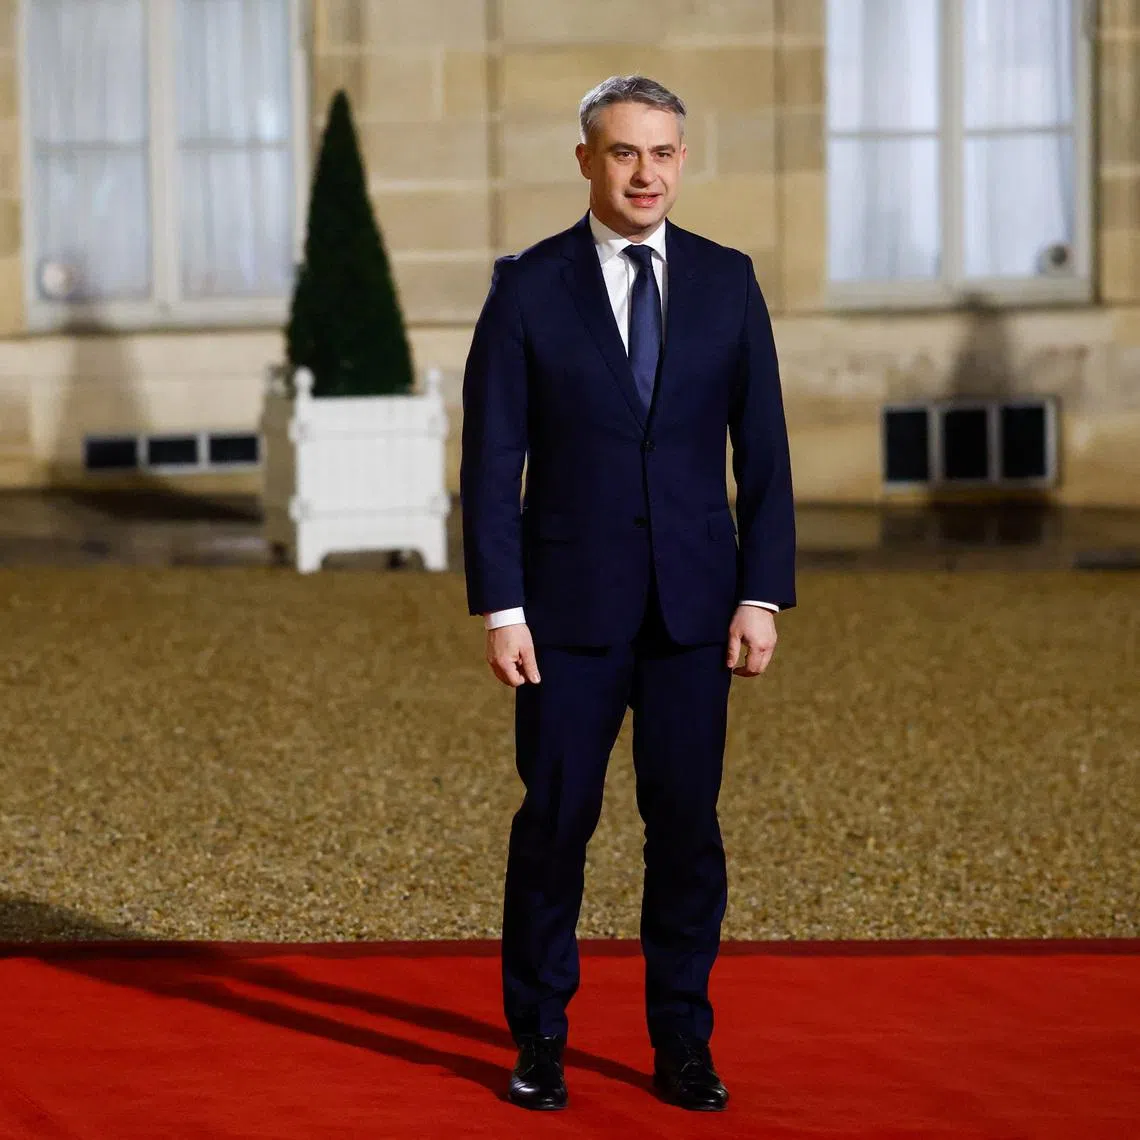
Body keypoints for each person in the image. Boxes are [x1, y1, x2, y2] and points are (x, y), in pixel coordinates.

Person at [460, 74, 796, 1112]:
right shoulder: (527, 288)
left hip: (697, 612)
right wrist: (502, 607)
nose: (645, 173)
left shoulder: (730, 282)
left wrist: (763, 594)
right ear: (586, 160)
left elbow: (768, 455)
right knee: (557, 824)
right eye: (624, 152)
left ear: (681, 161)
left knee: (686, 827)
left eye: (663, 153)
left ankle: (682, 1044)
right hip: (565, 613)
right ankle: (541, 1040)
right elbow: (490, 459)